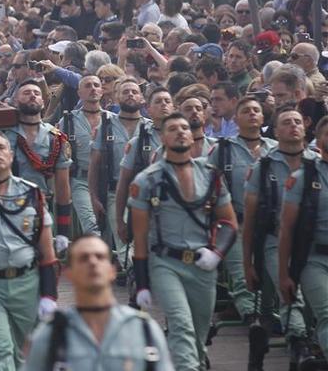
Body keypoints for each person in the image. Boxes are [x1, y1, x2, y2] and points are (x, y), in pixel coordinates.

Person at [128, 113, 237, 370]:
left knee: (199, 335)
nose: (180, 132)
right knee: (180, 324)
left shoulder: (211, 175)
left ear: (192, 134)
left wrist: (217, 253)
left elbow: (229, 223)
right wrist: (142, 283)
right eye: (173, 128)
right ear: (163, 137)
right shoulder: (147, 180)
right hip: (166, 262)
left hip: (202, 264)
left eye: (185, 128)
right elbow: (140, 234)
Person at [0, 131, 58, 368]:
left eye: (1, 147)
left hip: (26, 283)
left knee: (27, 353)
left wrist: (49, 294)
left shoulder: (31, 193)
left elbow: (46, 250)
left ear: (11, 153)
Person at [23, 235, 172, 371]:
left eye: (100, 257)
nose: (92, 262)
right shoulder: (52, 334)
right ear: (69, 273)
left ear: (112, 271)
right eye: (83, 258)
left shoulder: (143, 330)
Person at [243, 104, 319, 369]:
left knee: (313, 303)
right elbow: (250, 219)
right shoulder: (263, 166)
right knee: (289, 293)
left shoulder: (317, 162)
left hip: (311, 243)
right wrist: (248, 263)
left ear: (306, 126)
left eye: (297, 121)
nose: (293, 126)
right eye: (286, 122)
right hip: (274, 241)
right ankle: (298, 340)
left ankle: (307, 341)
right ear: (275, 131)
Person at [207, 97, 275, 330]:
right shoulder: (223, 149)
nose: (252, 114)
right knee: (241, 274)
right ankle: (250, 317)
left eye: (256, 110)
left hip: (271, 225)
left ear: (263, 118)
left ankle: (268, 315)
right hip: (236, 222)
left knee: (269, 277)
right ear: (236, 118)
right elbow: (209, 185)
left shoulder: (274, 149)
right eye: (246, 111)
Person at [3, 79, 73, 252]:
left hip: (40, 210)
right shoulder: (2, 135)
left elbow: (62, 187)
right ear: (15, 102)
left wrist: (63, 231)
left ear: (43, 102)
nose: (32, 96)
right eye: (26, 93)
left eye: (36, 93)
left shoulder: (56, 139)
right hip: (5, 208)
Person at [278, 116, 328, 354]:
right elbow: (287, 229)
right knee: (327, 313)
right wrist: (284, 273)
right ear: (317, 141)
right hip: (314, 258)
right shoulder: (302, 178)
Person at [88, 77, 148, 272]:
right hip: (115, 193)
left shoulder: (151, 128)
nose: (130, 94)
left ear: (142, 98)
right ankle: (135, 274)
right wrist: (94, 197)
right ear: (116, 97)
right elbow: (94, 166)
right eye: (125, 91)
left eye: (134, 91)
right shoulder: (105, 127)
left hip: (146, 195)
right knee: (123, 242)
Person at [116, 86, 175, 242]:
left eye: (167, 101)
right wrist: (120, 220)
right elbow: (124, 183)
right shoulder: (139, 142)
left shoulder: (184, 139)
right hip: (146, 208)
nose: (164, 105)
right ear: (148, 109)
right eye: (158, 102)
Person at [57, 75, 105, 236]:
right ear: (79, 93)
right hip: (81, 180)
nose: (93, 88)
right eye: (88, 85)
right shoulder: (68, 121)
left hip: (107, 180)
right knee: (92, 227)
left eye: (96, 85)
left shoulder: (112, 120)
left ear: (102, 91)